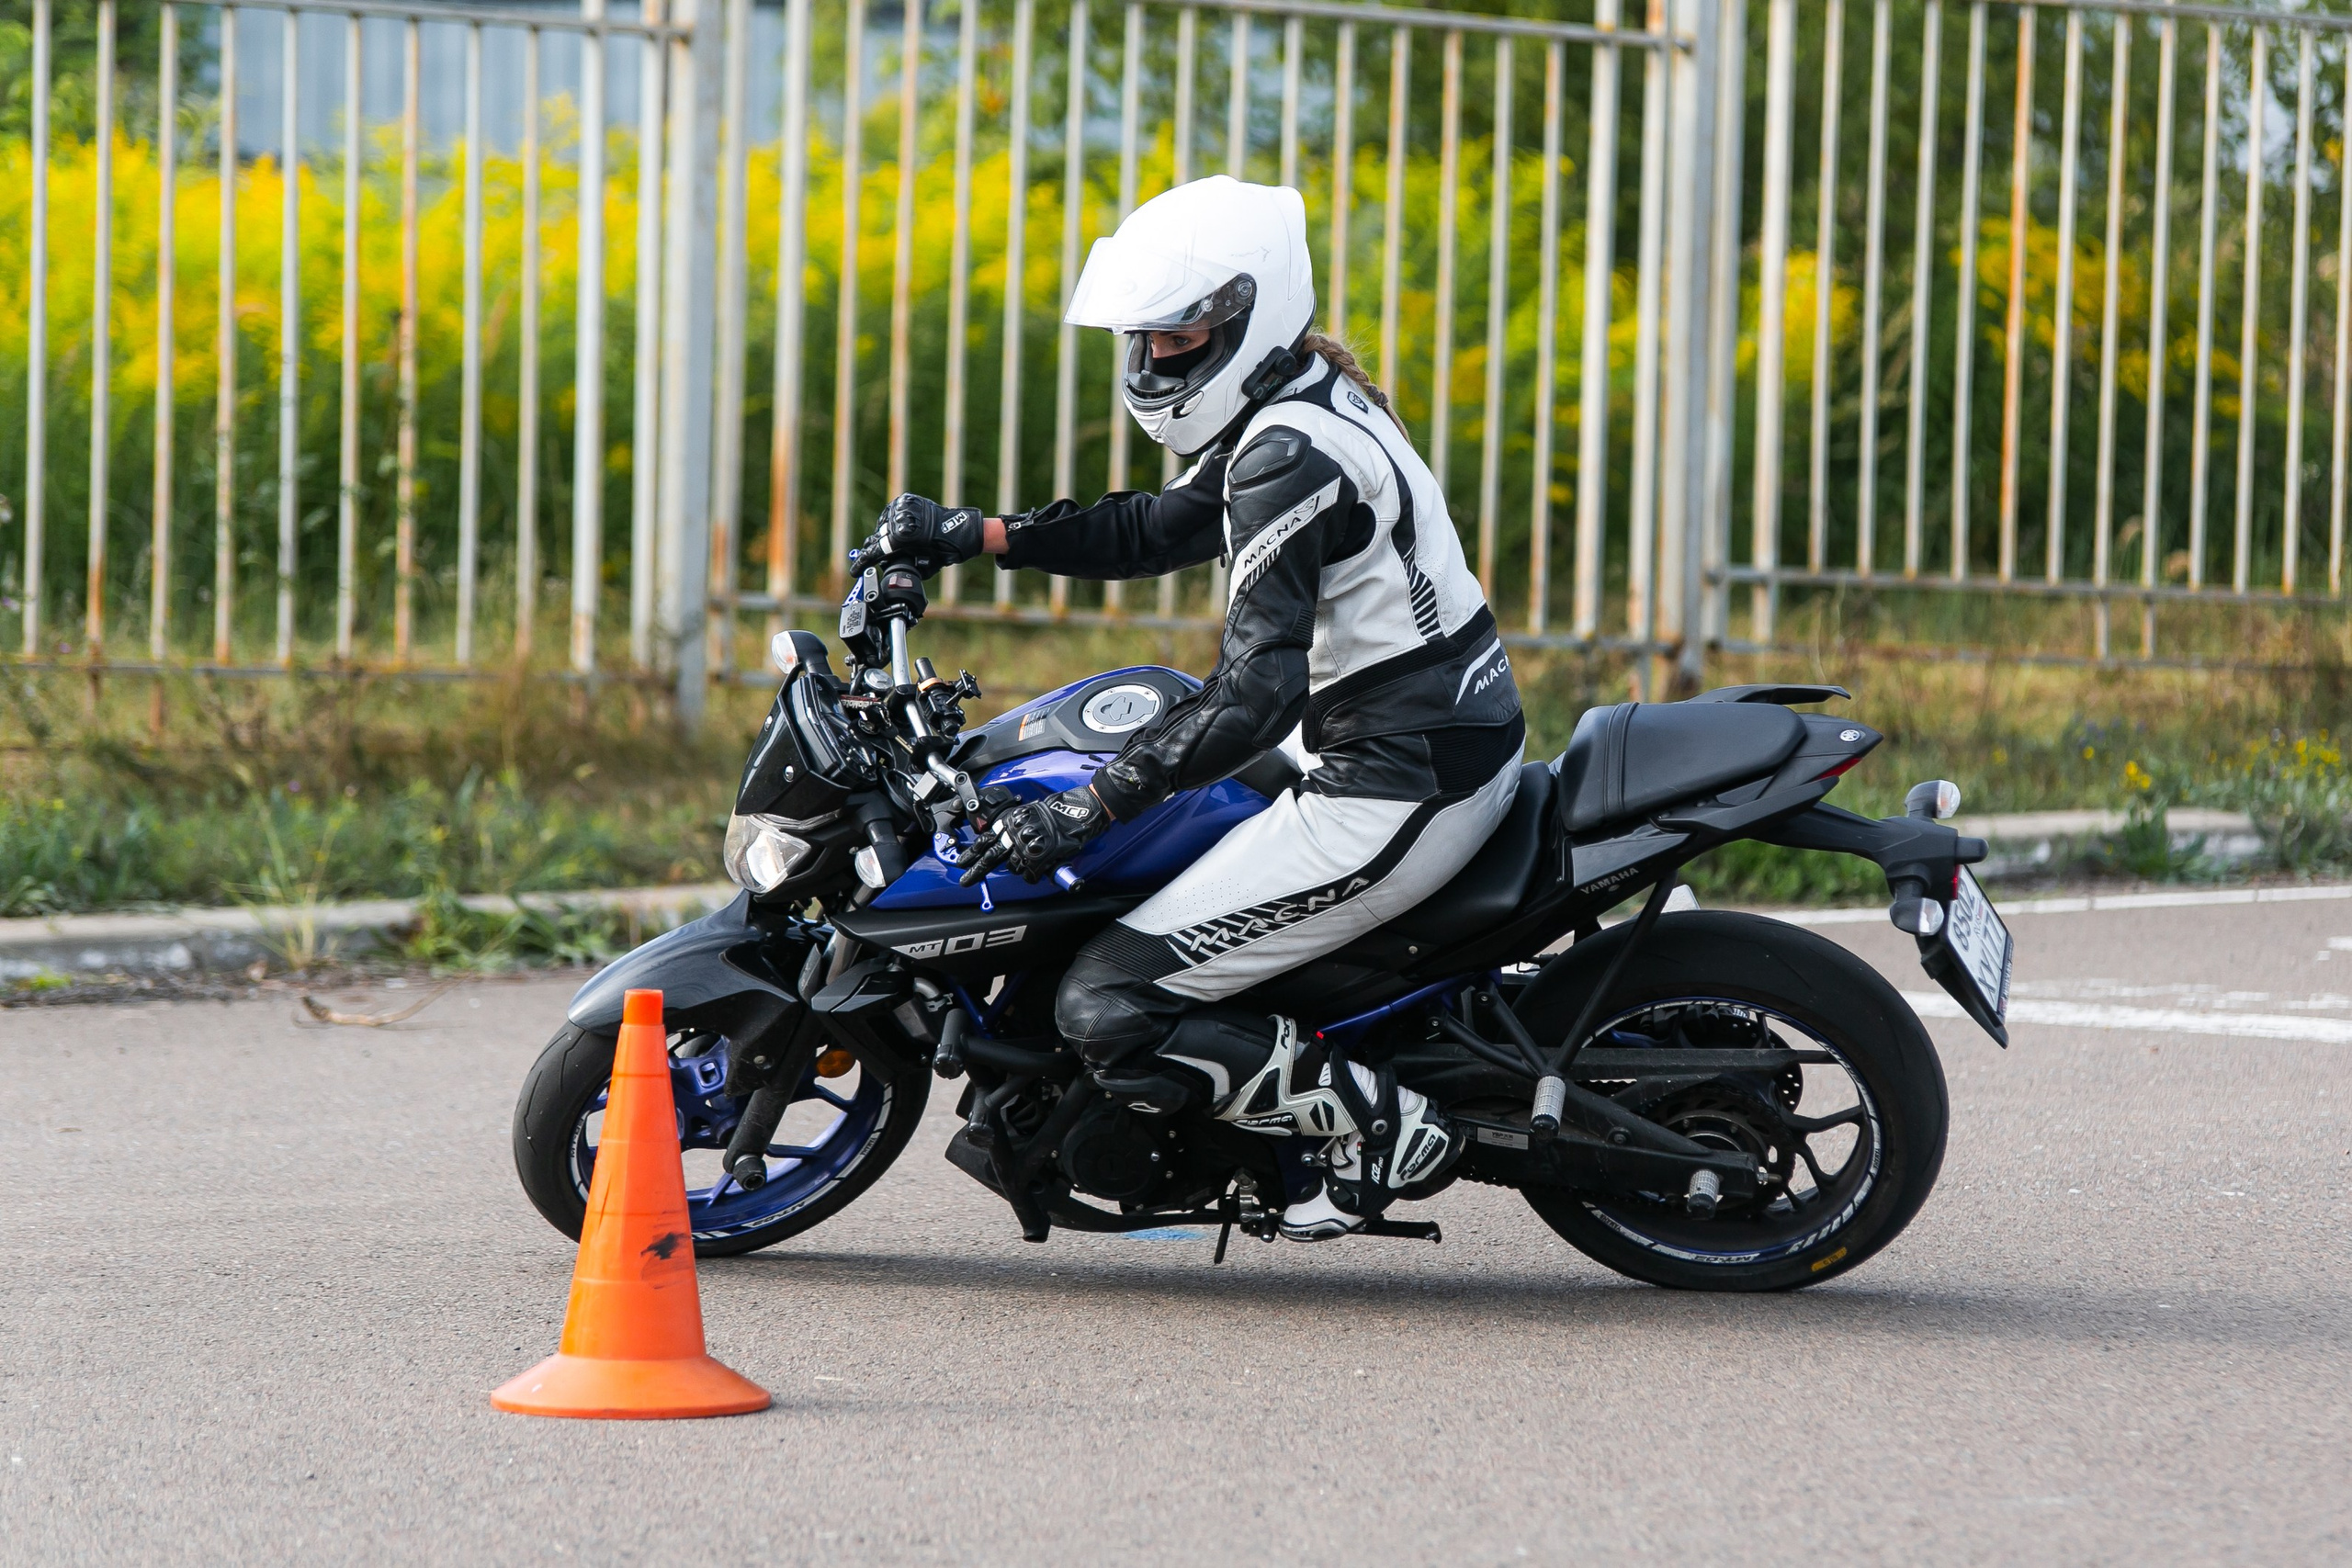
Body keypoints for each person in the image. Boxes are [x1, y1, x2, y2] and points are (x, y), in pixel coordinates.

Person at [860, 176, 1524, 1240]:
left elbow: (1259, 691)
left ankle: (1383, 1130)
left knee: (1111, 997)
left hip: (1398, 779)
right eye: (1145, 340)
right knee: (1162, 839)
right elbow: (1158, 529)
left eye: (1175, 339)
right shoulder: (1292, 401)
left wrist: (1091, 808)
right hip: (1409, 730)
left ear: (1245, 316)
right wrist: (978, 534)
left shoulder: (1289, 451)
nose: (1153, 362)